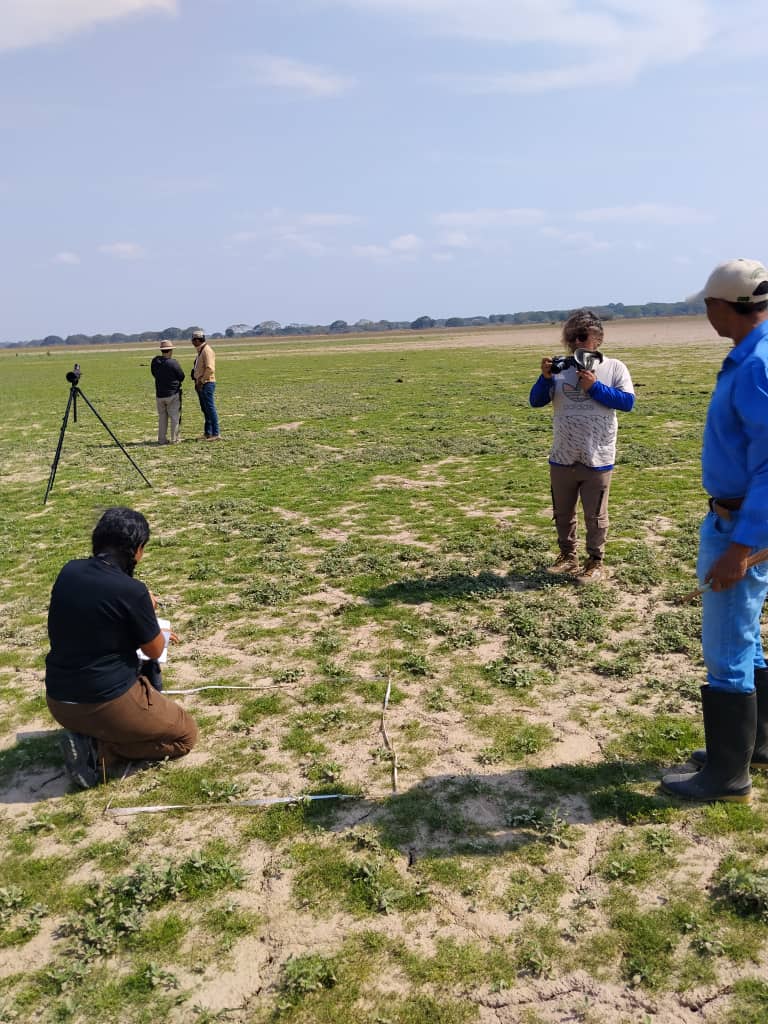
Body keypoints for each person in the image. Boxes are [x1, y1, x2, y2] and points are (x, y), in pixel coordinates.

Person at [662, 258, 768, 803]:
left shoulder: (755, 366)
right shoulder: (753, 354)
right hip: (744, 519)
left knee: (726, 645)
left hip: (740, 524)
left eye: (707, 304)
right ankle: (757, 745)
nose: (706, 313)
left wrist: (741, 548)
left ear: (723, 306)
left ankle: (727, 776)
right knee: (746, 636)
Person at [45, 507, 198, 788]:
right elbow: (154, 650)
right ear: (136, 549)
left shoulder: (69, 571)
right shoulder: (132, 591)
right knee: (185, 735)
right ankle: (100, 750)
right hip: (104, 702)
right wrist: (148, 610)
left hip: (59, 700)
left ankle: (91, 736)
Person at [529, 310, 635, 583]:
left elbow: (627, 402)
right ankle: (567, 557)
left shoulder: (614, 367)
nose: (576, 342)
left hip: (597, 455)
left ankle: (596, 562)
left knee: (595, 515)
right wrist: (544, 378)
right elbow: (536, 401)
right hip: (563, 454)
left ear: (598, 338)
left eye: (582, 336)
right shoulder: (559, 368)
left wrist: (595, 387)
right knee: (562, 512)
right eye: (572, 337)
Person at [150, 340, 185, 444]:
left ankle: (162, 439)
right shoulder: (173, 363)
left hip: (160, 394)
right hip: (172, 394)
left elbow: (154, 373)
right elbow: (181, 376)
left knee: (162, 417)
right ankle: (175, 439)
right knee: (174, 416)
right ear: (170, 351)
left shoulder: (155, 362)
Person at [191, 328, 221, 440]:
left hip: (206, 383)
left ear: (198, 340)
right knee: (205, 409)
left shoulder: (206, 351)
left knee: (210, 408)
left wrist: (201, 381)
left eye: (193, 340)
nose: (192, 342)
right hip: (201, 383)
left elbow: (210, 368)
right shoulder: (201, 350)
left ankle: (216, 433)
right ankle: (208, 432)